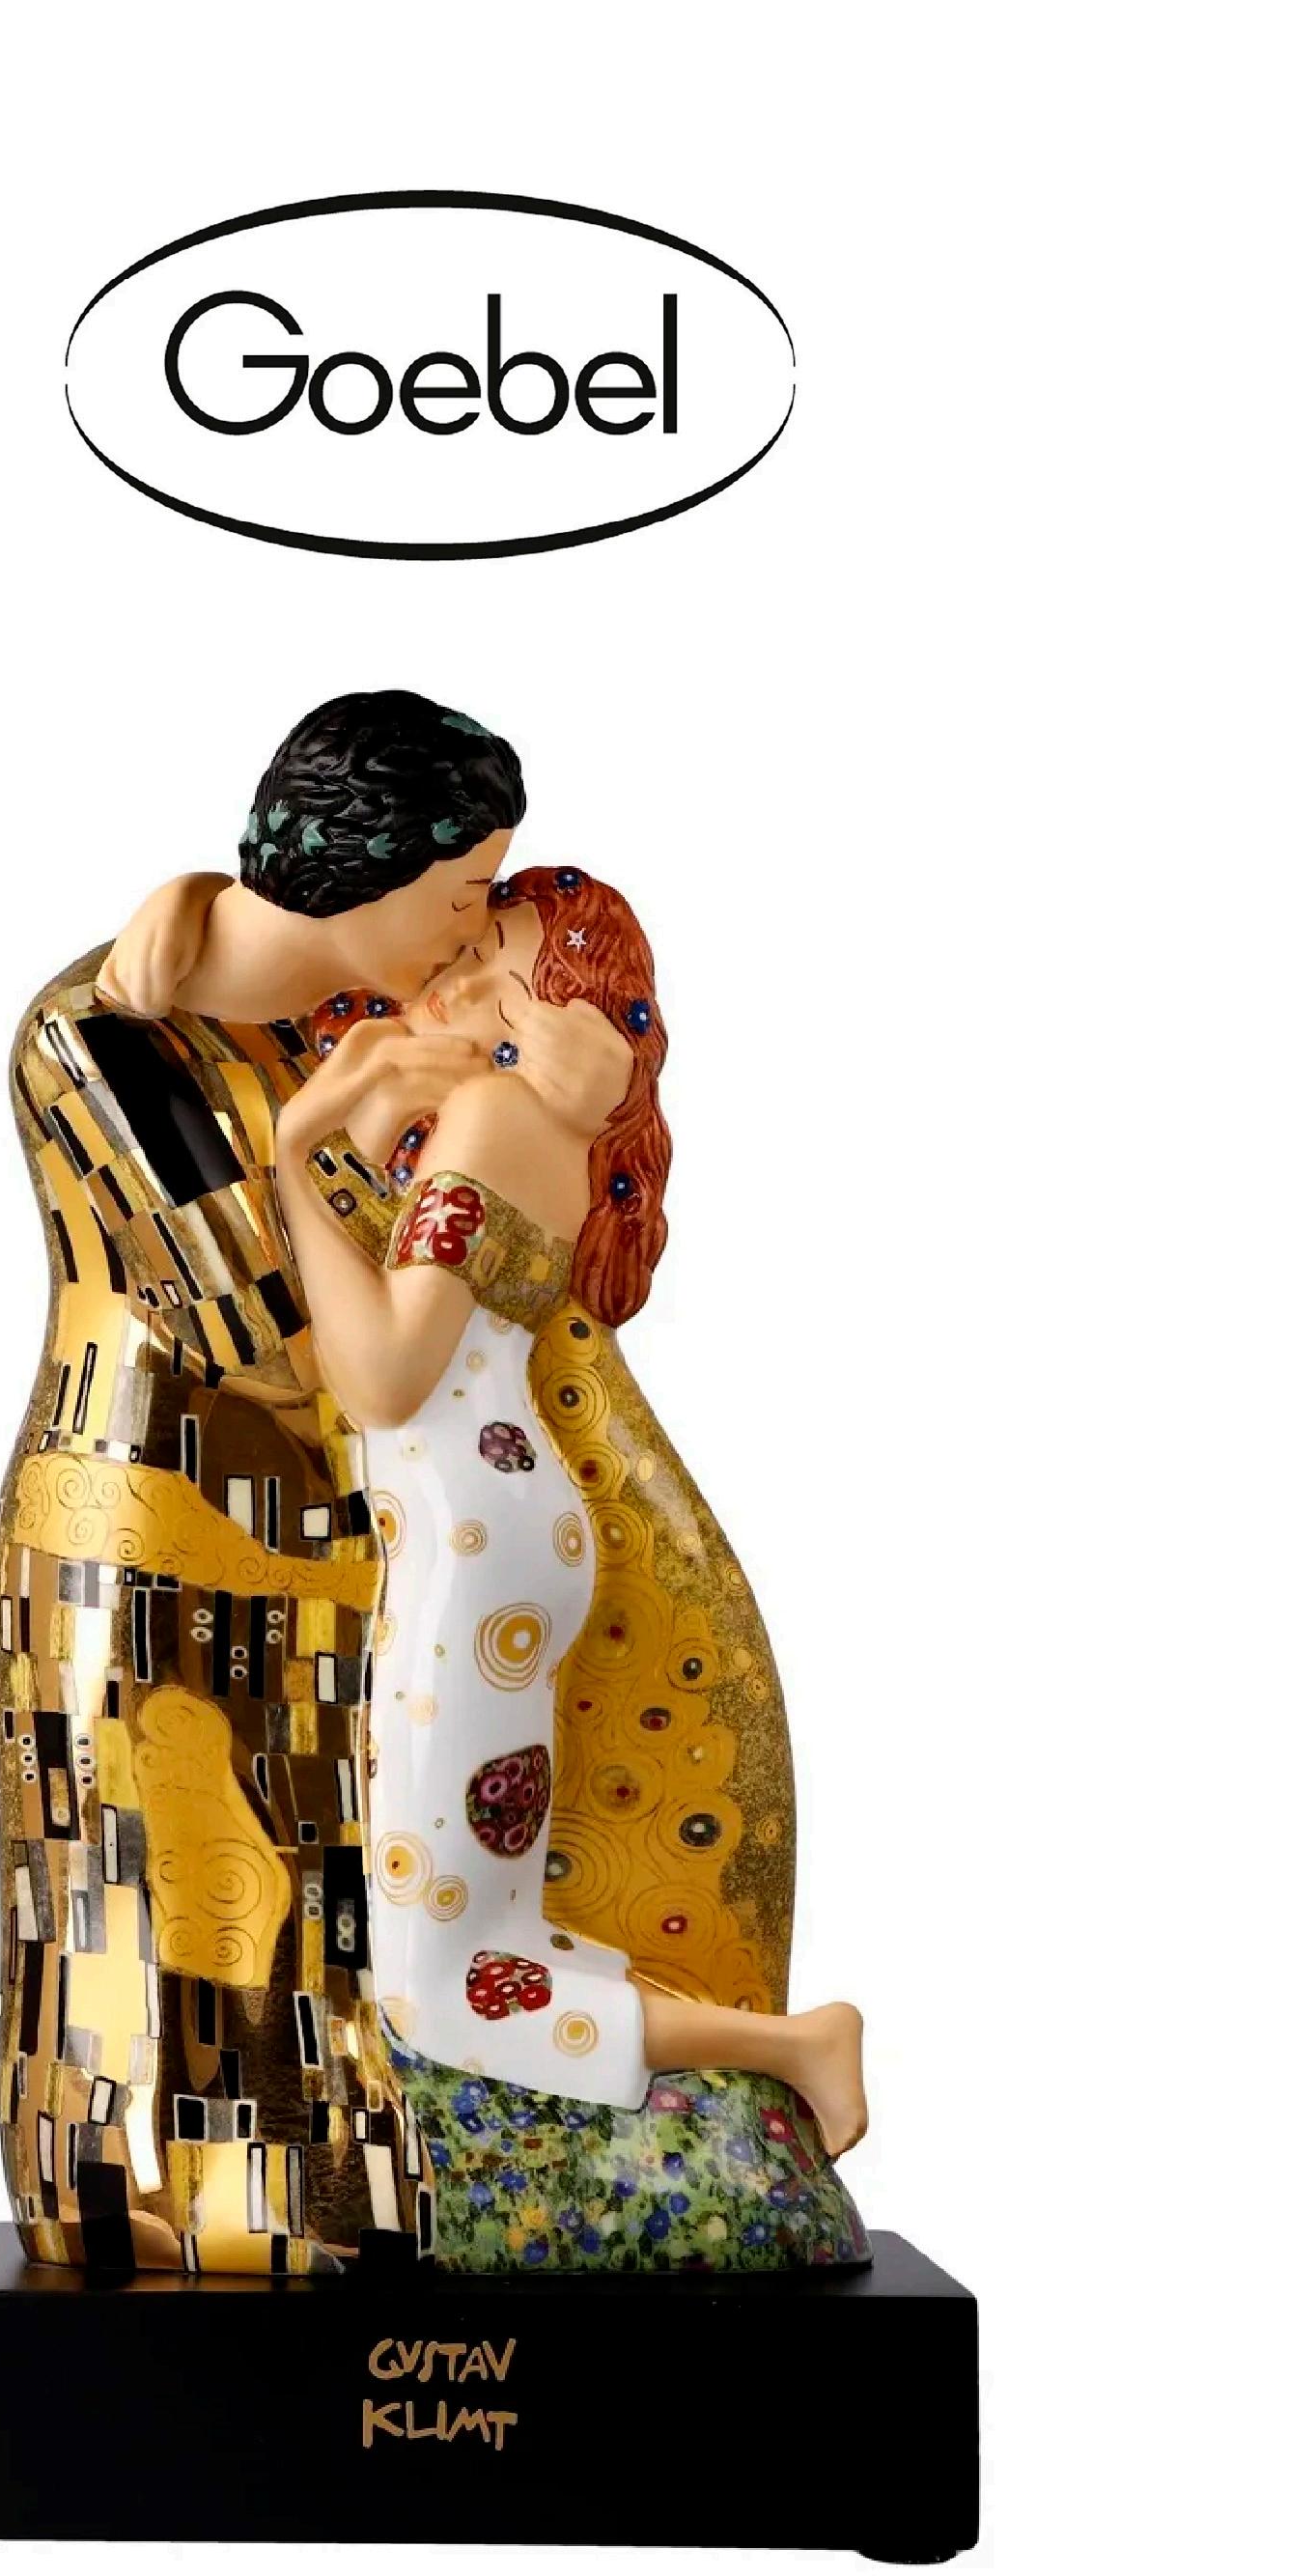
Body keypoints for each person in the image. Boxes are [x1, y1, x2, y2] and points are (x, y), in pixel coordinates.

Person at [0, 691, 523, 2279]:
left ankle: (319, 2207)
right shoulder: (101, 1032)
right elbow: (265, 1333)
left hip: (314, 1546)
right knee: (138, 1896)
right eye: (464, 891)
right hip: (137, 1537)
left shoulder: (318, 1038)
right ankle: (129, 2214)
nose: (476, 925)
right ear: (368, 869)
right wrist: (340, 1146)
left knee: (316, 1899)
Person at [267, 865, 869, 2274]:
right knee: (477, 1921)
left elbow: (384, 1373)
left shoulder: (493, 1122)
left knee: (433, 1982)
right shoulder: (480, 1116)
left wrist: (292, 1159)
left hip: (470, 1550)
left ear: (569, 1021)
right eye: (459, 954)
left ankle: (792, 2046)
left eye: (498, 974)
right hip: (482, 1536)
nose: (453, 983)